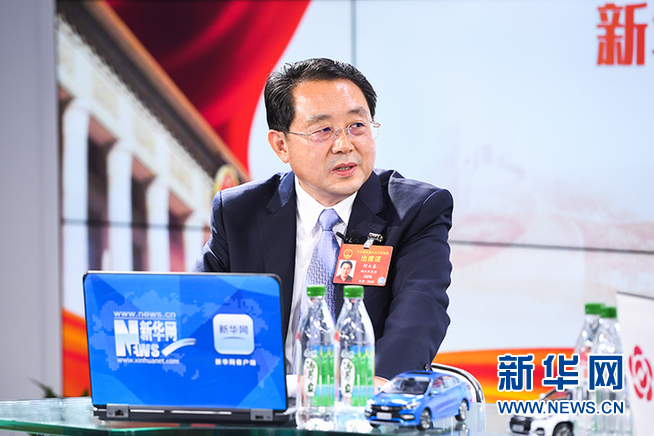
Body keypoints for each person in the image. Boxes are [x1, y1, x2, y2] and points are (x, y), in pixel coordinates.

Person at [193, 58, 452, 388]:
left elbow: (419, 313)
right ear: (281, 145)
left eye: (357, 126)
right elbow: (198, 310)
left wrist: (373, 388)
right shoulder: (239, 212)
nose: (344, 145)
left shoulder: (414, 211)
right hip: (261, 400)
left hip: (362, 400)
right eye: (322, 131)